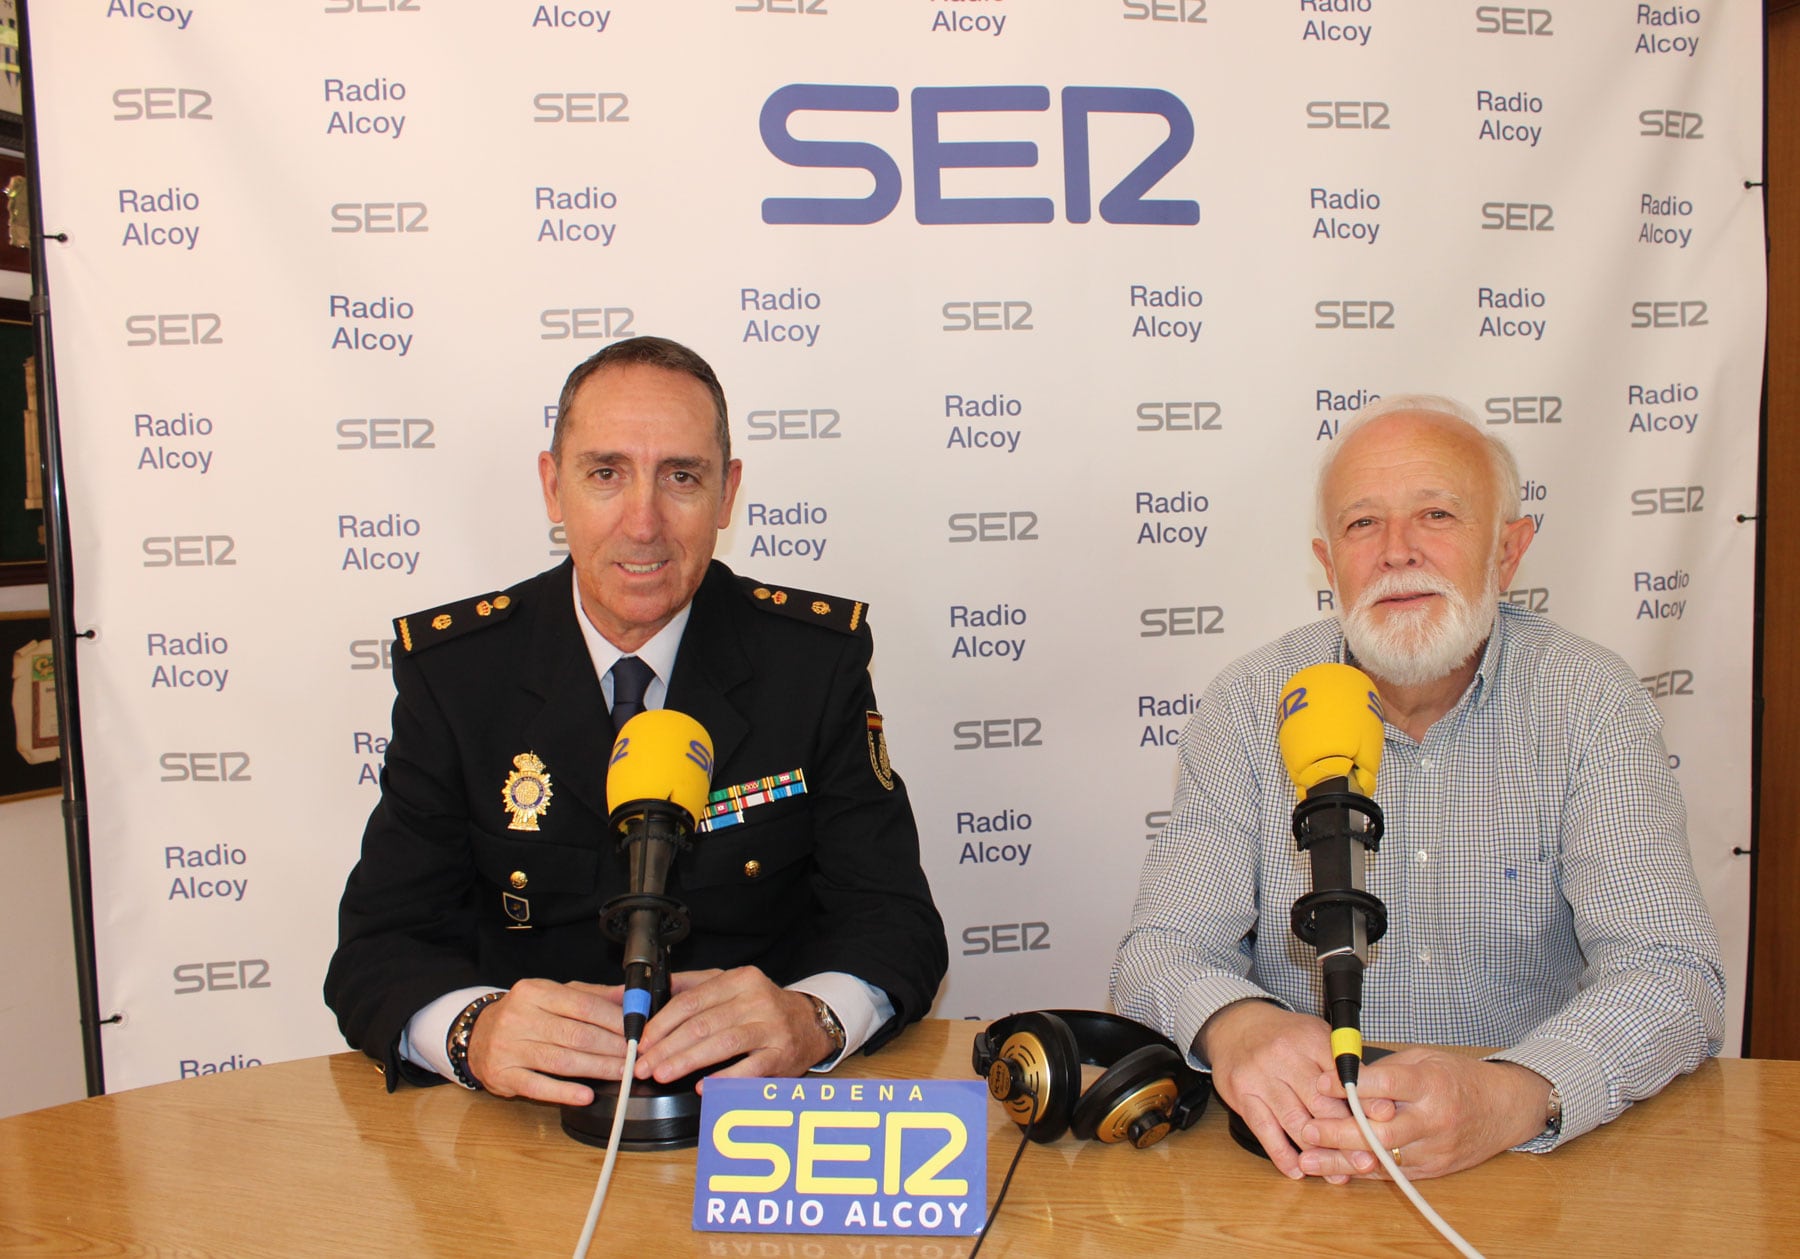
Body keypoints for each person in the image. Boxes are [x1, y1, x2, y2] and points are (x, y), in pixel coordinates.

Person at [1111, 395, 1724, 1181]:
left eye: (1436, 514)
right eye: (1363, 524)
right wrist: (1236, 1025)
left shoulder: (1590, 700)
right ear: (1328, 562)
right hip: (1303, 1160)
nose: (1397, 552)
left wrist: (1518, 1091)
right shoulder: (1250, 701)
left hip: (1525, 1160)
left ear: (1508, 551)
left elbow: (1672, 970)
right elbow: (1160, 950)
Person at [325, 336, 947, 1104]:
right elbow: (377, 948)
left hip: (752, 1133)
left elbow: (897, 924)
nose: (644, 522)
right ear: (554, 488)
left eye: (681, 476)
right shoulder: (458, 675)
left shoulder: (811, 665)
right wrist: (472, 1032)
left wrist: (813, 1017)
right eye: (606, 474)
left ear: (728, 493)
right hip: (522, 1149)